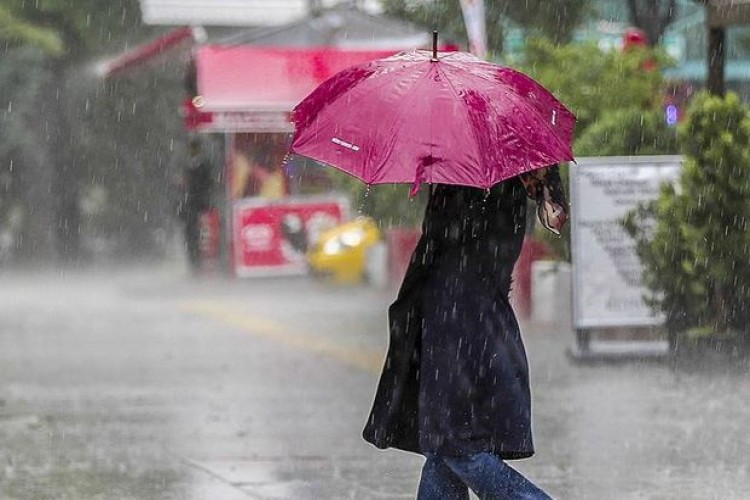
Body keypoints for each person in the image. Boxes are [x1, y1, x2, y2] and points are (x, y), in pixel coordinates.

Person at [362, 166, 568, 500]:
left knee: (456, 443)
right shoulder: (511, 168)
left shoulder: (465, 171)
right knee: (441, 444)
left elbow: (448, 239)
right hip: (477, 312)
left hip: (456, 314)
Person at [180, 138, 213, 274]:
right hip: (195, 206)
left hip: (198, 206)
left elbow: (204, 185)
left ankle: (197, 264)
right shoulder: (192, 166)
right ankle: (195, 264)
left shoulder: (201, 166)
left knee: (199, 236)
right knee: (194, 236)